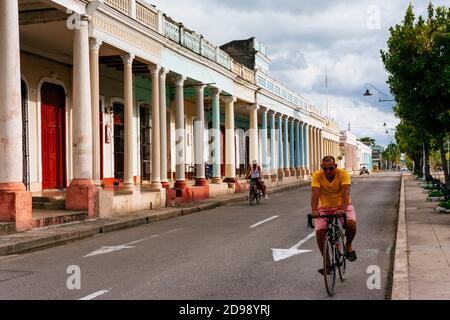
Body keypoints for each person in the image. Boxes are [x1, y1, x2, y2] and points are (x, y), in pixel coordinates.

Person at [311, 156, 357, 275]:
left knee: (351, 225)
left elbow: (345, 192)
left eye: (331, 168)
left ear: (335, 167)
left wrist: (342, 209)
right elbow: (315, 193)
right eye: (325, 169)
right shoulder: (317, 175)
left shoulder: (343, 174)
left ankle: (348, 246)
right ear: (322, 167)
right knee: (320, 233)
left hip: (342, 206)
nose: (328, 171)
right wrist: (314, 210)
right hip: (325, 208)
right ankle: (327, 264)